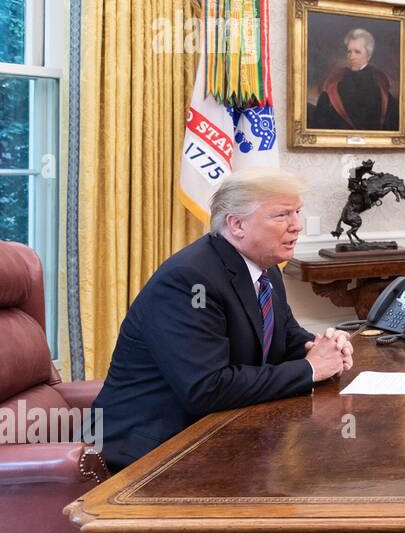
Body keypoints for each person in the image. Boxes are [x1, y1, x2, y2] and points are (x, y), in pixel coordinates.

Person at [93, 169, 353, 472]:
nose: (297, 226)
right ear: (237, 224)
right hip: (152, 453)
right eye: (282, 215)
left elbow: (284, 336)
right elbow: (207, 388)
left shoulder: (266, 271)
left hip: (220, 434)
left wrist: (325, 347)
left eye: (297, 212)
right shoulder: (190, 280)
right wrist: (310, 368)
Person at [312, 27, 399, 131]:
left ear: (369, 55)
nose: (351, 57)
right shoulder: (334, 83)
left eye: (357, 52)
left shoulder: (381, 86)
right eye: (349, 52)